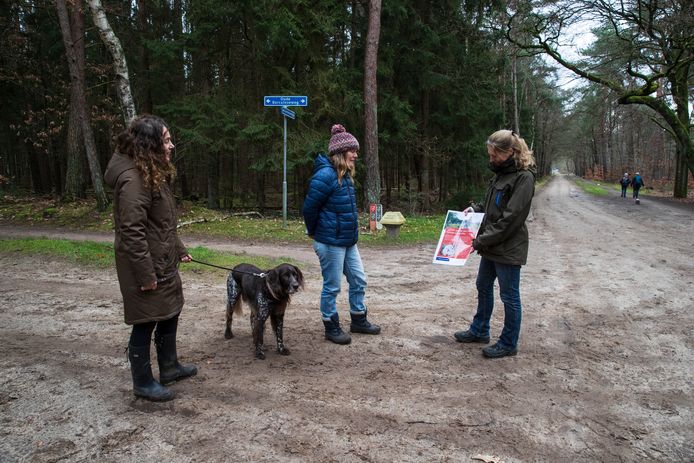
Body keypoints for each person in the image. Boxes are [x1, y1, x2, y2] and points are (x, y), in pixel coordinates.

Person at [104, 115, 197, 401]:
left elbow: (162, 222)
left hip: (163, 259)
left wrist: (179, 248)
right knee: (145, 320)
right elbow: (132, 231)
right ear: (150, 144)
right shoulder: (133, 179)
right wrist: (146, 275)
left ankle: (169, 367)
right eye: (166, 140)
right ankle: (142, 382)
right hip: (145, 266)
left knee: (171, 309)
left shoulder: (151, 170)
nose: (171, 145)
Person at [454, 129, 536, 358]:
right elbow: (491, 205)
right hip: (491, 245)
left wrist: (479, 241)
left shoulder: (524, 178)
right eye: (489, 155)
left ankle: (509, 343)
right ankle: (480, 330)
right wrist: (475, 209)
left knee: (509, 295)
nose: (491, 160)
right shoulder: (500, 173)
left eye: (494, 155)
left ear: (510, 152)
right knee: (483, 285)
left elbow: (510, 219)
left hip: (508, 248)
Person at [302, 124, 381, 344]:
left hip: (348, 241)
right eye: (352, 151)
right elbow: (309, 209)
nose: (356, 155)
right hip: (329, 242)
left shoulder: (344, 174)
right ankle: (331, 326)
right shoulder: (325, 175)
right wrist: (314, 232)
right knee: (332, 286)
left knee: (358, 280)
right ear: (340, 152)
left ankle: (358, 319)